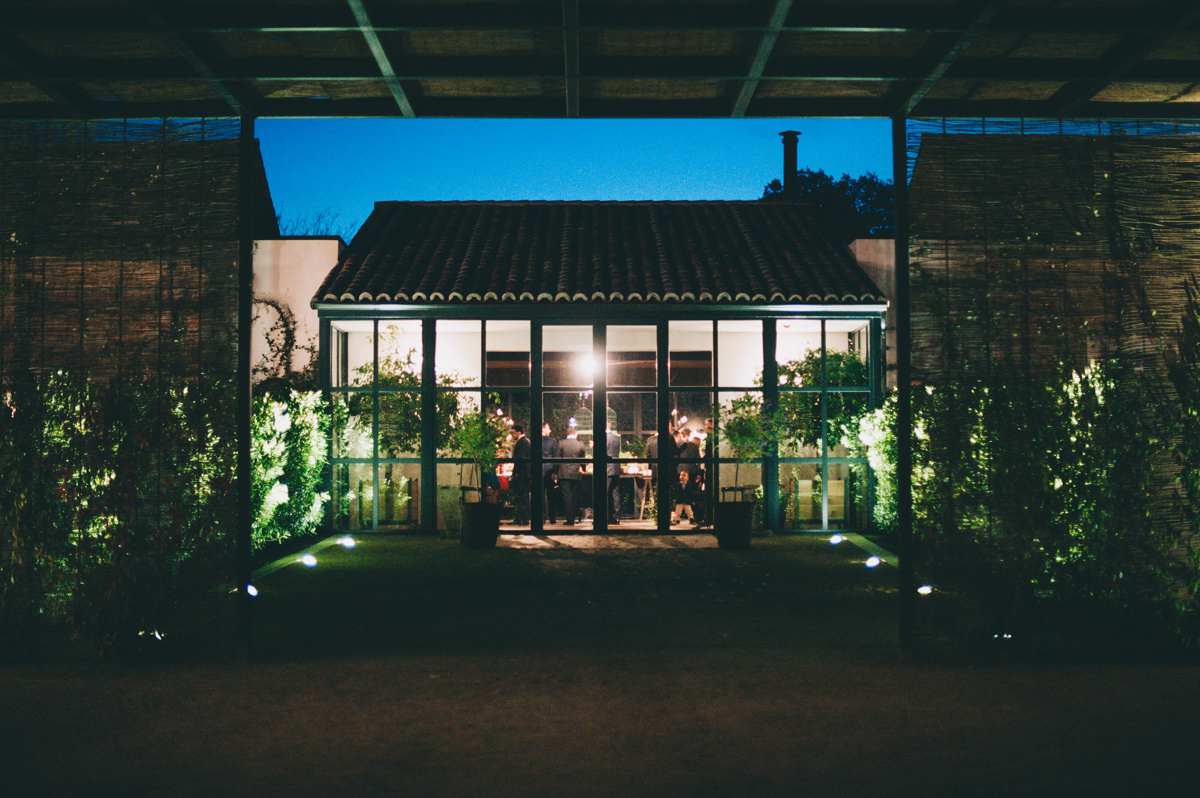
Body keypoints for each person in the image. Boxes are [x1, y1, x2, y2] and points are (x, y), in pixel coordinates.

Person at [556, 424, 586, 525]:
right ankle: (575, 516)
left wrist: (554, 472)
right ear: (576, 434)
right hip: (575, 474)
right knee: (574, 497)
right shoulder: (580, 445)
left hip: (564, 474)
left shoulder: (561, 443)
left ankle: (570, 519)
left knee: (566, 496)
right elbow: (583, 460)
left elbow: (557, 459)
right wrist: (584, 469)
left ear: (567, 433)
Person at [509, 424, 531, 525]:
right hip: (525, 474)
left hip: (521, 474)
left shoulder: (522, 442)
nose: (511, 435)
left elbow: (519, 459)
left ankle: (522, 518)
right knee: (524, 496)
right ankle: (523, 518)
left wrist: (516, 472)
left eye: (512, 433)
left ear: (519, 432)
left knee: (521, 496)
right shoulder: (526, 441)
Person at [541, 422, 560, 524]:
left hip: (539, 471)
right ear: (543, 429)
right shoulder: (552, 442)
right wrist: (555, 471)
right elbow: (555, 457)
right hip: (549, 471)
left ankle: (542, 517)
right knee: (551, 495)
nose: (550, 431)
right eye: (548, 428)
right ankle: (552, 517)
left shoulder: (534, 441)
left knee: (540, 495)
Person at [606, 420, 622, 525]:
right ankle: (616, 517)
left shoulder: (604, 438)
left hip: (608, 468)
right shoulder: (616, 437)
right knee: (616, 493)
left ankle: (606, 517)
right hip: (616, 467)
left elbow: (604, 453)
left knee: (605, 493)